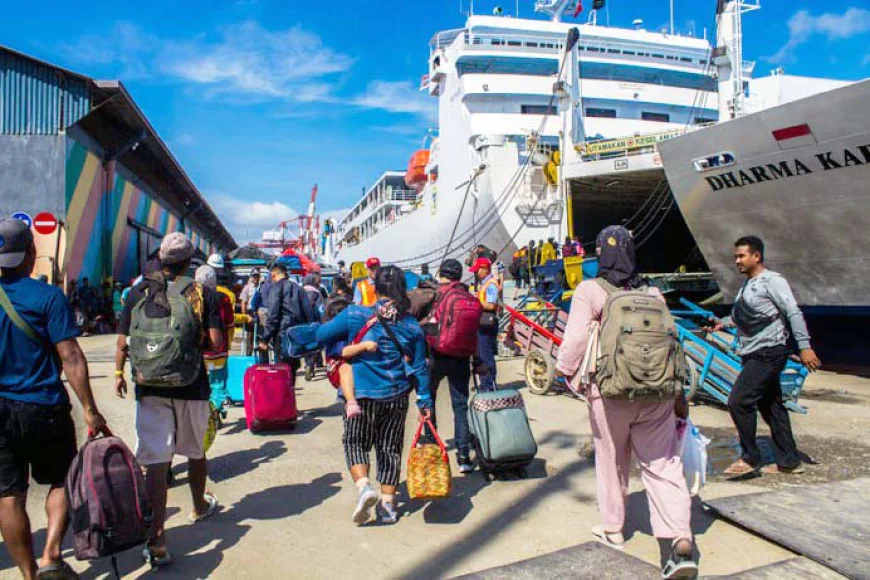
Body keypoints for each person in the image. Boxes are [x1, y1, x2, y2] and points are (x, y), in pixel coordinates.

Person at [555, 225, 697, 579]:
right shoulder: (652, 293)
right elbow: (672, 341)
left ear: (600, 253)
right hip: (657, 393)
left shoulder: (590, 290)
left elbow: (573, 343)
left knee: (612, 459)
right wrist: (677, 393)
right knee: (663, 464)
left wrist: (563, 371)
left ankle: (613, 528)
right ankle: (679, 537)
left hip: (609, 392)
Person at [0, 218, 108, 580]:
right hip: (44, 406)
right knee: (62, 479)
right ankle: (50, 557)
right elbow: (72, 357)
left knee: (9, 495)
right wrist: (91, 411)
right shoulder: (47, 297)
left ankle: (29, 575)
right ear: (31, 253)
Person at [114, 233, 222, 568]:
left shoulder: (137, 291)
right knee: (194, 451)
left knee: (156, 462)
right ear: (190, 261)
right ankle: (198, 506)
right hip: (191, 386)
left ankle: (157, 539)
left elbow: (122, 340)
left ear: (160, 258)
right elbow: (216, 342)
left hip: (150, 388)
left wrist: (118, 374)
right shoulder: (201, 293)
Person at [316, 266, 432, 525]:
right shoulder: (412, 325)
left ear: (374, 288)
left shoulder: (355, 314)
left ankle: (364, 487)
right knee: (390, 448)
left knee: (355, 442)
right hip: (397, 393)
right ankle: (389, 506)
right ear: (403, 291)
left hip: (361, 393)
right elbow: (419, 367)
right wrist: (424, 400)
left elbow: (322, 335)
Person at [706, 236, 821, 477]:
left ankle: (750, 457)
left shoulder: (772, 281)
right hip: (752, 351)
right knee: (771, 406)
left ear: (756, 256)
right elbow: (743, 319)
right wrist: (721, 324)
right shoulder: (747, 285)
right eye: (736, 256)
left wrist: (805, 346)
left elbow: (793, 312)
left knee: (738, 401)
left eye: (741, 256)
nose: (737, 260)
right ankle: (789, 461)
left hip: (769, 352)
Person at [426, 259, 477, 473]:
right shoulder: (469, 295)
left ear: (441, 273)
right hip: (462, 357)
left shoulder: (436, 294)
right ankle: (464, 457)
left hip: (436, 354)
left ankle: (432, 448)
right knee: (460, 406)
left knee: (429, 400)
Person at [259, 263, 315, 371]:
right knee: (293, 369)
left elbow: (273, 316)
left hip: (282, 335)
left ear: (274, 275)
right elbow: (309, 314)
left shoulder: (275, 288)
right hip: (297, 335)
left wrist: (265, 338)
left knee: (282, 370)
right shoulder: (300, 289)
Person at [195, 266, 234, 416]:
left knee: (202, 384)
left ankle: (205, 413)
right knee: (217, 383)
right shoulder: (224, 298)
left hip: (199, 352)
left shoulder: (192, 298)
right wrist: (227, 345)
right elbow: (229, 325)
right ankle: (216, 409)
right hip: (219, 350)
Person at [470, 257, 500, 391]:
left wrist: (476, 302)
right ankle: (485, 383)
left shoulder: (491, 284)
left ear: (484, 269)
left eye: (478, 270)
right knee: (481, 355)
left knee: (486, 355)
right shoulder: (484, 283)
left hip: (487, 324)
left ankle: (489, 385)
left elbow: (492, 305)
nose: (476, 273)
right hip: (481, 324)